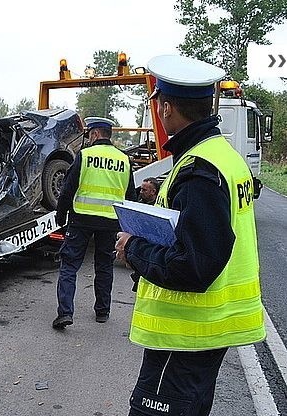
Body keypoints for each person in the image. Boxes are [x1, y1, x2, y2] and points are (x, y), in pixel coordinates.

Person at [115, 55, 266, 416]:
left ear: (166, 108)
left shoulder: (199, 171)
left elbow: (192, 266)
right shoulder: (222, 157)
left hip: (186, 336)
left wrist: (132, 247)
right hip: (207, 334)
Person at [52, 116, 135, 329]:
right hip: (111, 222)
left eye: (89, 134)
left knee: (69, 265)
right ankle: (102, 312)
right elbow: (131, 197)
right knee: (104, 265)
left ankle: (65, 313)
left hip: (81, 219)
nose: (88, 139)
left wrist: (60, 215)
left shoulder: (85, 156)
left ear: (96, 134)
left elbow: (68, 189)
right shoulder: (124, 160)